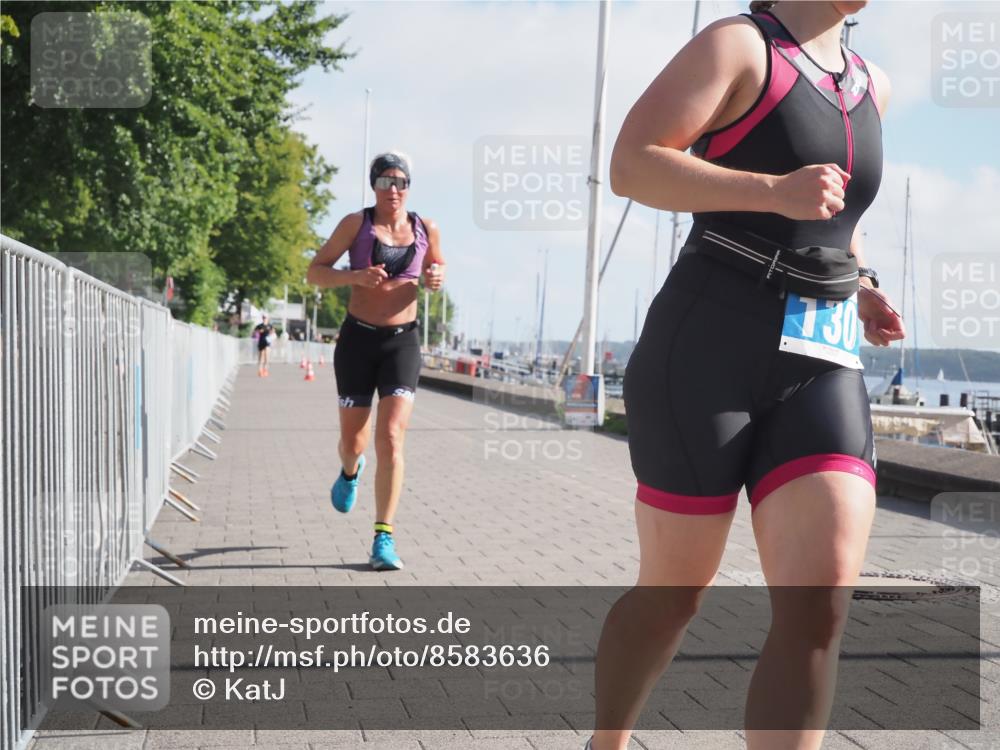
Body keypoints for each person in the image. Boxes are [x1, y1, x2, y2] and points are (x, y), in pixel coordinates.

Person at [590, 2, 905, 749]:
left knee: (820, 600)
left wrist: (863, 284)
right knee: (674, 595)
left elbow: (838, 218)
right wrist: (768, 190)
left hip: (821, 356)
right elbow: (632, 164)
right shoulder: (739, 46)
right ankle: (607, 742)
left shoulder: (872, 84)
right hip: (706, 345)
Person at [307, 152, 445, 570]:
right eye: (385, 182)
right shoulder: (356, 224)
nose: (394, 190)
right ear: (373, 186)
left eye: (401, 182)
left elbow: (436, 270)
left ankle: (383, 537)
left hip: (402, 344)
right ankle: (350, 471)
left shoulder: (425, 227)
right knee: (354, 442)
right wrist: (353, 276)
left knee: (391, 437)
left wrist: (436, 280)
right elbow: (316, 271)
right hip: (357, 341)